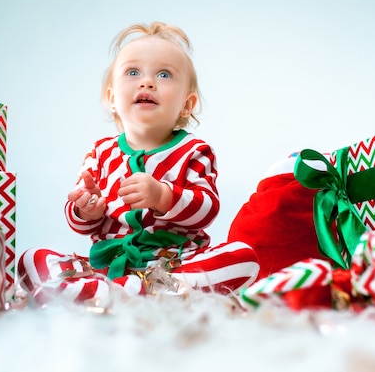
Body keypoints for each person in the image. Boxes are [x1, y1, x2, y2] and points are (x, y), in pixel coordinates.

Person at [19, 22, 259, 305]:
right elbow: (80, 223)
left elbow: (207, 208)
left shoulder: (195, 151)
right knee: (31, 259)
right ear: (111, 99)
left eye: (164, 74)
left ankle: (154, 292)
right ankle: (110, 290)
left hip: (175, 265)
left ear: (187, 104)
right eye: (133, 72)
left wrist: (163, 195)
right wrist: (86, 210)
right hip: (107, 268)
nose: (147, 82)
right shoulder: (100, 152)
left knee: (245, 258)